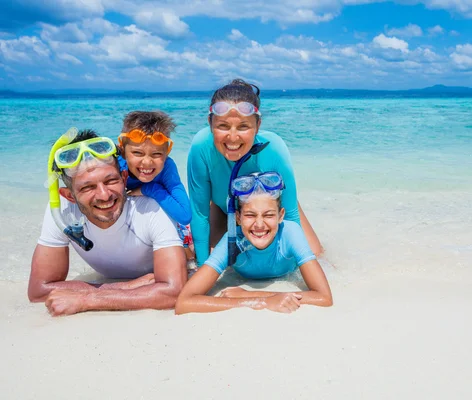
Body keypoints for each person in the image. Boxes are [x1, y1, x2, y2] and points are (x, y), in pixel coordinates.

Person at [28, 129, 187, 316]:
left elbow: (174, 291)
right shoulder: (62, 212)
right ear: (69, 196)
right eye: (88, 187)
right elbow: (39, 290)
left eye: (111, 180)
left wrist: (87, 300)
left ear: (124, 178)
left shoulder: (151, 208)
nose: (104, 195)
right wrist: (124, 286)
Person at [187, 79, 322, 266]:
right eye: (223, 126)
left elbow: (290, 216)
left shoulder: (274, 148)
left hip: (265, 210)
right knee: (217, 263)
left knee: (316, 256)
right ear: (210, 123)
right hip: (222, 208)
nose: (232, 137)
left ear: (258, 125)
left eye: (243, 126)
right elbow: (199, 213)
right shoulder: (201, 145)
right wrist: (200, 266)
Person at [175, 172, 332, 314]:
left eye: (268, 215)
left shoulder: (290, 232)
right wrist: (264, 302)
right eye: (250, 215)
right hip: (229, 222)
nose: (259, 224)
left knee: (320, 254)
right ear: (238, 218)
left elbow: (324, 297)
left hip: (287, 237)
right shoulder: (232, 241)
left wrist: (250, 295)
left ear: (281, 215)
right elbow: (184, 302)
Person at [118, 111, 195, 264]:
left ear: (167, 152)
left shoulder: (167, 167)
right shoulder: (115, 165)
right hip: (129, 229)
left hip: (164, 224)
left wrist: (150, 189)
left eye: (156, 154)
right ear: (122, 149)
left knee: (189, 256)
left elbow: (185, 214)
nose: (147, 162)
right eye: (137, 153)